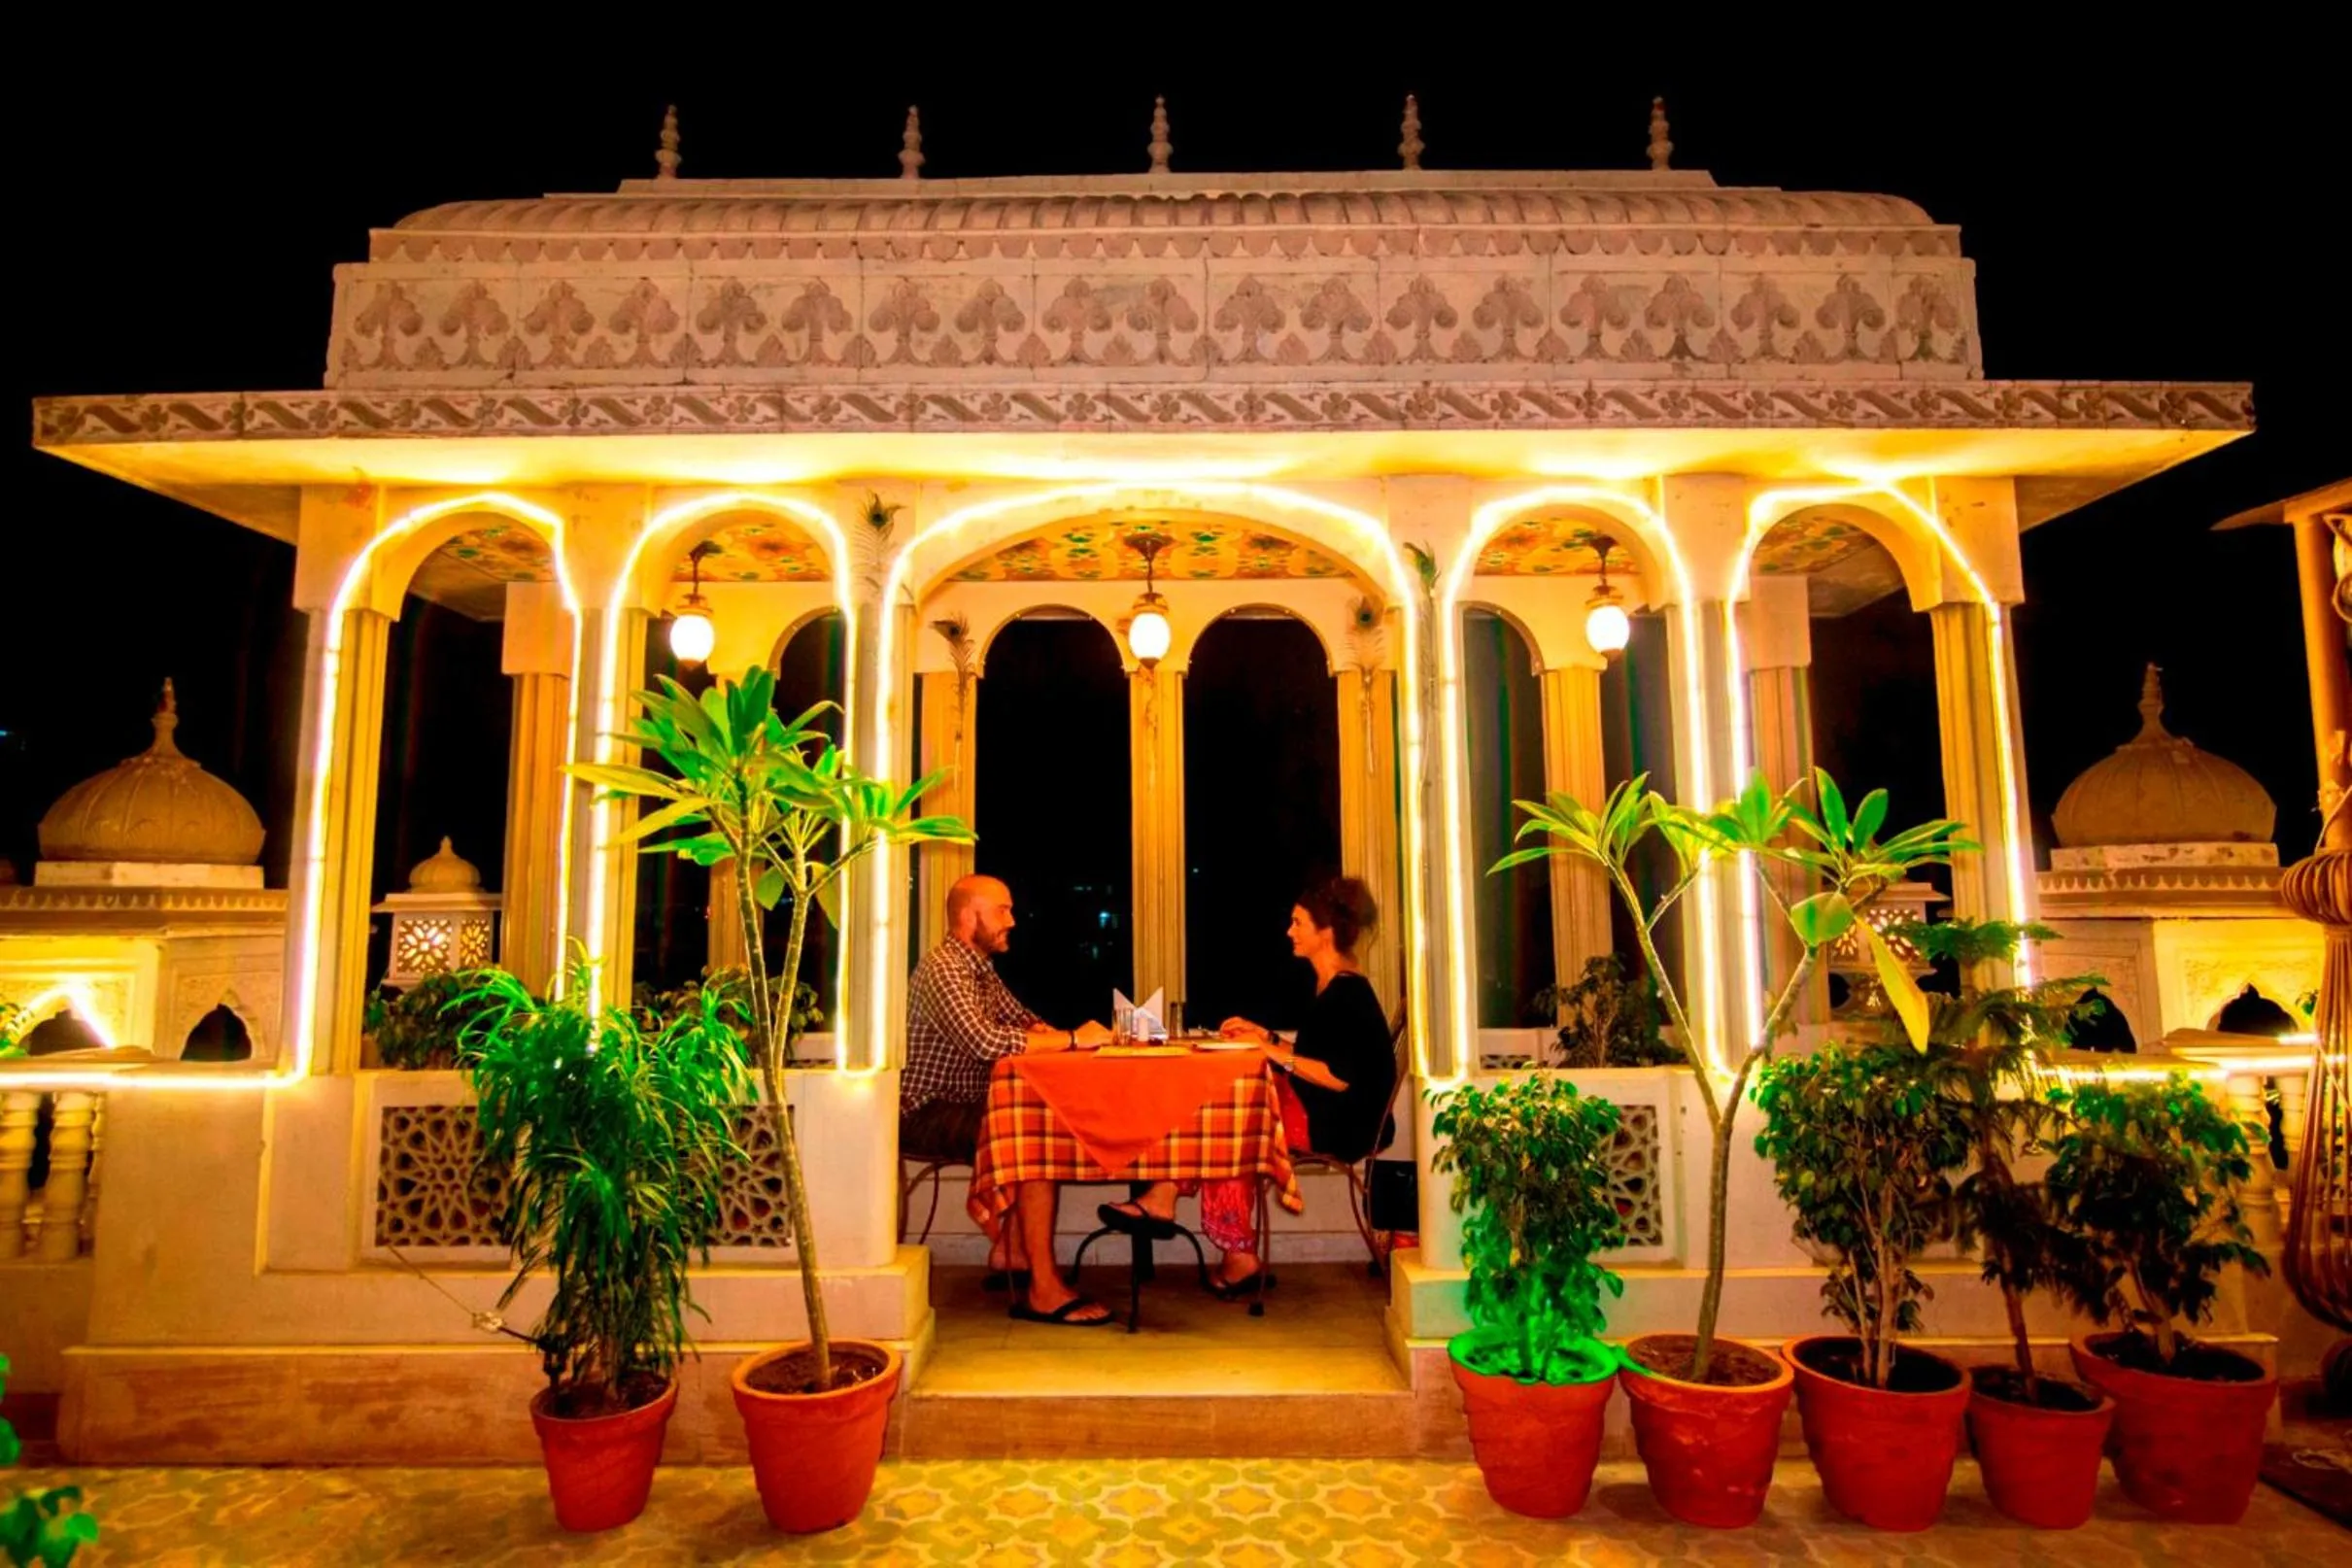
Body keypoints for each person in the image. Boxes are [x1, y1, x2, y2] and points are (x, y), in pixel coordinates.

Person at [1099, 876, 1397, 1297]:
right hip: (1328, 1109)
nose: (1288, 931)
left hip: (1341, 1123)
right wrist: (1267, 1037)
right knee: (1223, 1104)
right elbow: (1325, 1053)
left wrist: (1269, 1050)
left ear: (1325, 931)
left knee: (1230, 1122)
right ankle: (1176, 1209)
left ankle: (1210, 1232)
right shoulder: (1335, 985)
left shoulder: (1346, 992)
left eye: (1297, 922)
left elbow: (1339, 1077)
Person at [900, 873, 1114, 1325]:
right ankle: (1043, 1290)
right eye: (1002, 910)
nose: (1012, 921)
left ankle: (1013, 1253)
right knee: (1034, 1137)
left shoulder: (979, 969)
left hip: (964, 1103)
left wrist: (1062, 1037)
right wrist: (1074, 1038)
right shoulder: (945, 968)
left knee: (1045, 1120)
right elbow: (985, 1042)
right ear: (967, 916)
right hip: (925, 1110)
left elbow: (1024, 1022)